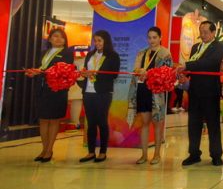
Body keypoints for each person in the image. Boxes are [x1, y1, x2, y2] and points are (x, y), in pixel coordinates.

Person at [178, 20, 223, 166]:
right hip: (194, 90)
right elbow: (193, 66)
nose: (203, 34)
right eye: (201, 31)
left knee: (213, 124)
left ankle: (216, 155)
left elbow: (209, 63)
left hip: (210, 91)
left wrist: (187, 65)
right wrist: (184, 74)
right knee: (193, 124)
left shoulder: (219, 47)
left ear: (213, 33)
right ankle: (194, 154)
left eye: (206, 32)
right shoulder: (195, 47)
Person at [26, 28, 74, 162]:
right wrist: (32, 72)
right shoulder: (43, 52)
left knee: (53, 119)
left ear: (65, 40)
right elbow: (39, 67)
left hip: (57, 91)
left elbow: (63, 71)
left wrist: (41, 72)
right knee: (43, 119)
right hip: (42, 89)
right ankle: (43, 148)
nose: (58, 39)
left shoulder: (67, 54)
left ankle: (49, 150)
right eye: (55, 36)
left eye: (61, 37)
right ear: (50, 39)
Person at [127, 26, 172, 165]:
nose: (151, 40)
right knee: (144, 123)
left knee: (158, 124)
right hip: (142, 90)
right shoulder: (141, 53)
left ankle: (157, 154)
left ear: (160, 37)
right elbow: (134, 70)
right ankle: (144, 154)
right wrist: (138, 71)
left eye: (154, 37)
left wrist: (150, 74)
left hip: (157, 92)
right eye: (149, 37)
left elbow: (167, 74)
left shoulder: (165, 54)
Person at [78, 30, 120, 163]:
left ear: (105, 41)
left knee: (102, 122)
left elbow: (114, 75)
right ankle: (91, 152)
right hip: (88, 92)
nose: (97, 43)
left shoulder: (113, 56)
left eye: (100, 40)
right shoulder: (90, 54)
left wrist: (95, 74)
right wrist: (84, 73)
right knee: (90, 123)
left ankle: (102, 152)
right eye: (95, 40)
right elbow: (85, 69)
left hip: (103, 92)